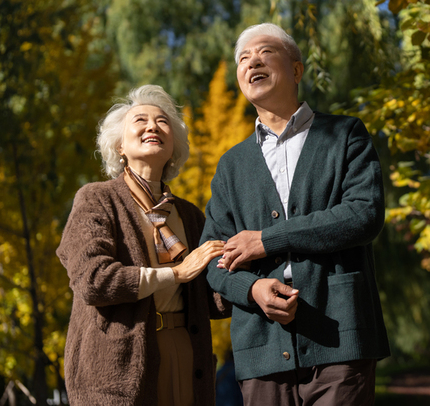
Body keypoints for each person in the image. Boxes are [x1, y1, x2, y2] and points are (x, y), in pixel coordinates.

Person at [202, 23, 390, 406]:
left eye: (265, 52)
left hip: (340, 337)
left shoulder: (345, 135)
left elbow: (363, 214)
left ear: (297, 70)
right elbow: (212, 258)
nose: (252, 60)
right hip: (261, 351)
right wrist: (251, 290)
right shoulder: (231, 166)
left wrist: (267, 239)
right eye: (243, 58)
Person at [56, 85, 231, 406]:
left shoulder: (190, 215)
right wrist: (175, 274)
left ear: (174, 146)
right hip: (119, 369)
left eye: (162, 122)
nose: (152, 126)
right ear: (119, 145)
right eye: (140, 120)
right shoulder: (96, 199)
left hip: (188, 357)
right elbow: (93, 281)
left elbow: (212, 300)